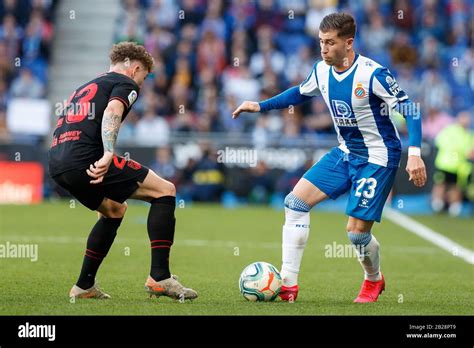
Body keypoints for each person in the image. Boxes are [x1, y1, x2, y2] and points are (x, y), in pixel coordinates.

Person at [232, 13, 427, 303]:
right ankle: (287, 285)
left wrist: (415, 154)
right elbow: (298, 93)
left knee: (356, 235)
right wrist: (259, 106)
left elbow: (410, 110)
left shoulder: (373, 74)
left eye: (330, 43)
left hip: (377, 157)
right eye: (321, 42)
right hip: (345, 152)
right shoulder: (321, 71)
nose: (323, 49)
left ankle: (373, 280)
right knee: (295, 202)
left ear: (349, 43)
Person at [48, 42, 197, 300]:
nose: (141, 83)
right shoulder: (125, 83)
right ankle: (159, 277)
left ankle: (84, 286)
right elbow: (113, 111)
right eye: (144, 77)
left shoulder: (85, 87)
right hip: (86, 158)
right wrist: (108, 151)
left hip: (57, 162)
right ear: (134, 68)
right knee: (165, 191)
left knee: (114, 210)